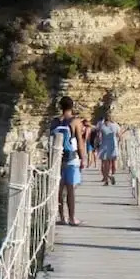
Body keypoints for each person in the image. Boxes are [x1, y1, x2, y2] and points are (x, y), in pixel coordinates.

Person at [51, 96, 87, 226]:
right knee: (70, 188)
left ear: (60, 107)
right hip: (71, 158)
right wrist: (83, 159)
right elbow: (80, 142)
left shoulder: (55, 121)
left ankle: (62, 217)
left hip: (57, 159)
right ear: (72, 106)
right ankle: (72, 218)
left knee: (59, 190)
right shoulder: (75, 121)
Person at [97, 112, 121, 185]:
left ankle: (107, 179)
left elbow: (99, 137)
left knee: (105, 164)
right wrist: (117, 142)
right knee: (114, 162)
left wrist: (97, 145)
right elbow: (119, 136)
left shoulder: (102, 126)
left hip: (104, 146)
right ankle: (113, 175)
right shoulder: (115, 126)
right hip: (113, 146)